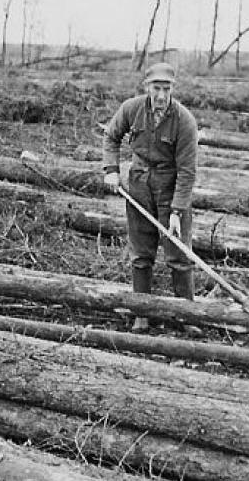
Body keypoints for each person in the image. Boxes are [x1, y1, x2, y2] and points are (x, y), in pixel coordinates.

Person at [102, 62, 198, 332]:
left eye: (166, 89)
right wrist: (111, 170)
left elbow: (188, 172)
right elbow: (111, 137)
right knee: (141, 252)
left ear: (172, 90)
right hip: (140, 185)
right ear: (147, 88)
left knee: (179, 254)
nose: (161, 95)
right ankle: (141, 313)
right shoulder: (131, 109)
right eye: (156, 88)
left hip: (170, 188)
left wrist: (177, 212)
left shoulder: (184, 121)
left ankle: (186, 316)